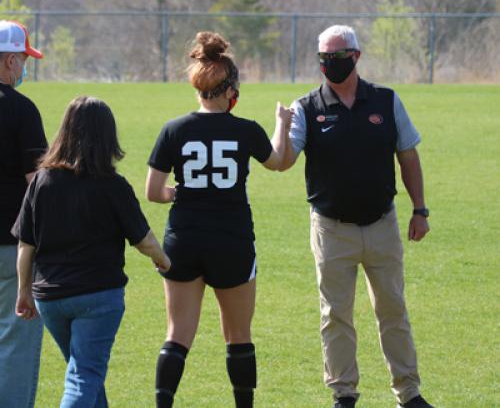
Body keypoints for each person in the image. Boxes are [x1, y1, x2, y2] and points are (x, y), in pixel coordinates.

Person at [280, 25, 433, 408]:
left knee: (393, 310)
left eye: (337, 57)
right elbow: (283, 161)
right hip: (331, 229)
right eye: (323, 58)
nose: (330, 64)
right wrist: (281, 128)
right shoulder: (306, 108)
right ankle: (344, 394)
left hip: (383, 224)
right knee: (335, 315)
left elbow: (408, 156)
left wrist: (420, 210)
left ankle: (408, 392)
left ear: (356, 56)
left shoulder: (386, 101)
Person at [146, 31, 292, 408]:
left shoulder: (174, 129)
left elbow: (153, 191)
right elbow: (277, 161)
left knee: (177, 334)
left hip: (184, 237)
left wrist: (174, 193)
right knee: (239, 335)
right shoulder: (245, 130)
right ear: (230, 91)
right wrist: (283, 123)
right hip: (232, 239)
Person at [12, 96, 171, 408]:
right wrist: (164, 262)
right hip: (99, 297)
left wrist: (23, 291)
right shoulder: (112, 185)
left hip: (51, 298)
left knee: (84, 371)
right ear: (108, 137)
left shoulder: (41, 181)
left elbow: (25, 244)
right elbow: (144, 240)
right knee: (84, 375)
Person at [0, 19, 47, 408]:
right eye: (23, 60)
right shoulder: (21, 109)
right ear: (11, 61)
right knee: (16, 337)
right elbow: (37, 182)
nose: (24, 68)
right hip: (10, 244)